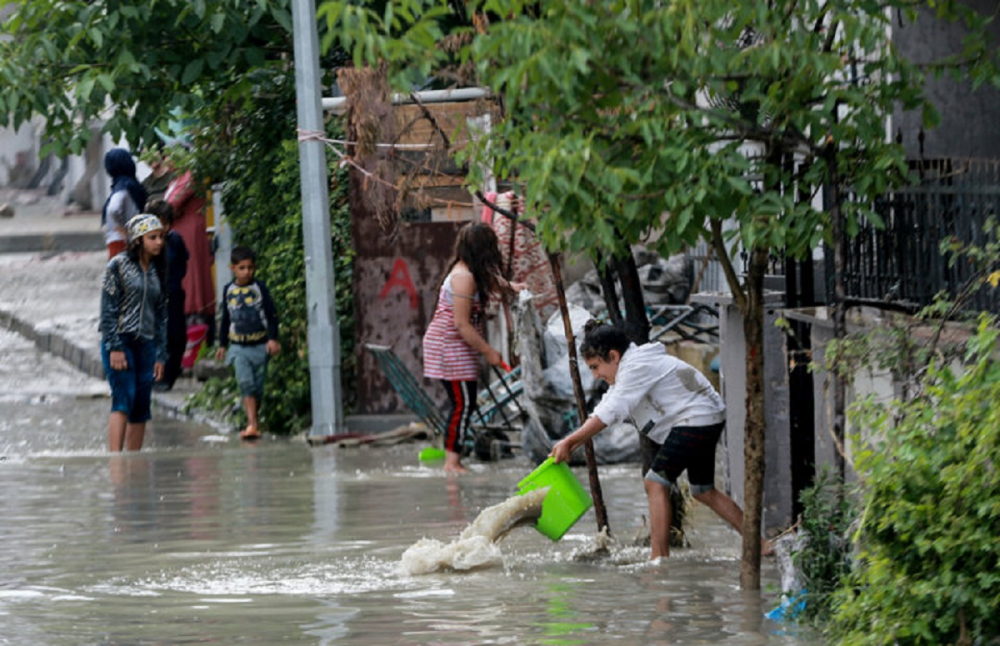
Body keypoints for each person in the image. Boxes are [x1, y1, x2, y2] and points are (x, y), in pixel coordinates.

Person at [550, 320, 770, 560]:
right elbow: (607, 404)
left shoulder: (636, 366)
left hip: (696, 419)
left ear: (613, 356)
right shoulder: (629, 367)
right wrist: (570, 441)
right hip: (705, 417)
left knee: (655, 483)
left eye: (595, 367)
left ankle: (658, 560)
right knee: (703, 491)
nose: (595, 376)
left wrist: (569, 442)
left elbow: (611, 410)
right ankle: (761, 545)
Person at [422, 222, 525, 473]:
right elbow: (461, 324)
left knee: (464, 401)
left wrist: (513, 287)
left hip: (458, 345)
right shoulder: (463, 278)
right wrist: (488, 351)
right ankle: (452, 462)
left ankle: (453, 457)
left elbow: (492, 280)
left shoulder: (473, 271)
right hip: (449, 346)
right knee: (463, 403)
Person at [99, 213, 167, 452]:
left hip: (146, 344)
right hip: (120, 341)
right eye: (153, 237)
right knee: (123, 398)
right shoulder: (117, 266)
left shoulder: (159, 270)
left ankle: (135, 463)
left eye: (160, 237)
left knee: (141, 404)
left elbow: (161, 316)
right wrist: (114, 346)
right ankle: (116, 460)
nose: (159, 242)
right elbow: (107, 309)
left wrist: (160, 354)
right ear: (138, 240)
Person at [215, 246, 281, 440]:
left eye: (250, 268)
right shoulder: (229, 290)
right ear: (233, 268)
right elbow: (226, 318)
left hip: (260, 345)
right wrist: (222, 344)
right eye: (242, 268)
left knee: (257, 387)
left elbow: (271, 315)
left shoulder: (260, 288)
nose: (247, 272)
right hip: (238, 347)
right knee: (245, 382)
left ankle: (254, 419)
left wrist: (272, 338)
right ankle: (252, 423)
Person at [145, 199, 189, 390]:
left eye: (164, 223)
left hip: (174, 295)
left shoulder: (175, 241)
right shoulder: (144, 246)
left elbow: (182, 262)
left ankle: (170, 374)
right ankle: (157, 377)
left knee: (177, 336)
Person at [164, 168, 215, 333]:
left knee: (193, 275)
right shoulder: (176, 179)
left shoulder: (190, 175)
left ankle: (198, 316)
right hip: (180, 232)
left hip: (191, 233)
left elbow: (172, 203)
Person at [101, 148, 148, 259]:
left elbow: (113, 209)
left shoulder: (122, 186)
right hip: (132, 238)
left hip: (122, 240)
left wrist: (121, 227)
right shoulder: (131, 184)